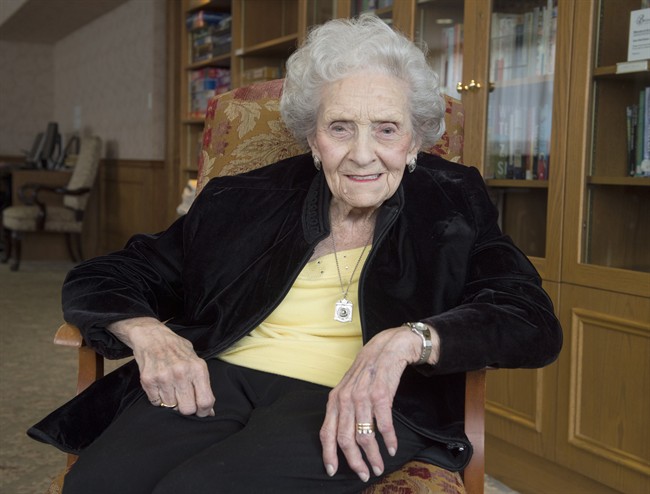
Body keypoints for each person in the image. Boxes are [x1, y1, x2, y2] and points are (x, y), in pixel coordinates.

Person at [29, 14, 562, 494]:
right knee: (97, 484)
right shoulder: (243, 198)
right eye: (340, 128)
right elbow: (107, 275)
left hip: (356, 396)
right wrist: (147, 332)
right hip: (217, 378)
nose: (362, 154)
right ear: (312, 137)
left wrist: (409, 341)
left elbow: (529, 319)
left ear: (415, 140)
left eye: (386, 129)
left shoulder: (453, 200)